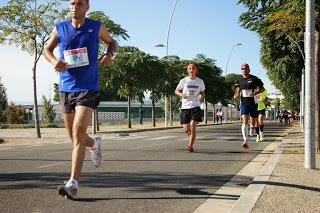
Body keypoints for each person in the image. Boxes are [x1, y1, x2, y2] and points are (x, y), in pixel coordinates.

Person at [44, 0, 116, 200]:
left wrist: (109, 54)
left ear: (87, 7)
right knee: (74, 137)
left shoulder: (96, 26)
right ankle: (94, 144)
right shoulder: (59, 28)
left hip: (88, 87)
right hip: (66, 87)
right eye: (72, 3)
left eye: (80, 3)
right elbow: (47, 50)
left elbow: (112, 42)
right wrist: (54, 61)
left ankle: (73, 184)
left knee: (77, 132)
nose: (75, 6)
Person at [175, 63, 205, 152]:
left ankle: (190, 145)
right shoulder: (184, 81)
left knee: (193, 125)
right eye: (189, 68)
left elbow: (203, 91)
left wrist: (201, 96)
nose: (191, 70)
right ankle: (191, 134)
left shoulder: (200, 81)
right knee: (187, 129)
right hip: (185, 107)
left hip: (195, 106)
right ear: (188, 71)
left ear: (196, 71)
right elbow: (176, 90)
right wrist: (181, 94)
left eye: (193, 68)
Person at [234, 63, 265, 149]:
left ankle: (257, 132)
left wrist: (255, 93)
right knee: (244, 121)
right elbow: (238, 90)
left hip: (253, 104)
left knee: (253, 122)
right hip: (244, 103)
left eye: (246, 68)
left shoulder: (254, 79)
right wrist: (236, 94)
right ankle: (245, 140)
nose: (244, 70)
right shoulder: (239, 79)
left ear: (249, 70)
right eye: (242, 69)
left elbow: (262, 88)